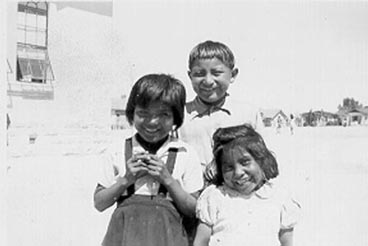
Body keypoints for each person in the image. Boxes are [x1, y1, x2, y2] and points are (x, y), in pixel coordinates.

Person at [94, 74, 204, 246]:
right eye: (143, 114)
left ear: (176, 117)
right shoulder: (116, 150)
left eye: (163, 115)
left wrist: (167, 180)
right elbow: (99, 203)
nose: (152, 122)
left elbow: (194, 210)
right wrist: (126, 180)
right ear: (131, 114)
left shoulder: (186, 153)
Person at [193, 124, 301, 246]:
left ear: (261, 160)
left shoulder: (278, 198)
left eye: (245, 162)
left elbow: (287, 243)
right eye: (229, 167)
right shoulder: (215, 197)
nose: (238, 173)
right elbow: (200, 242)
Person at [179, 40, 263, 183]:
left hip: (238, 193)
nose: (208, 81)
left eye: (216, 73)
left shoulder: (247, 114)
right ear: (190, 76)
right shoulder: (179, 116)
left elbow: (262, 159)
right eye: (199, 74)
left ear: (233, 75)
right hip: (191, 196)